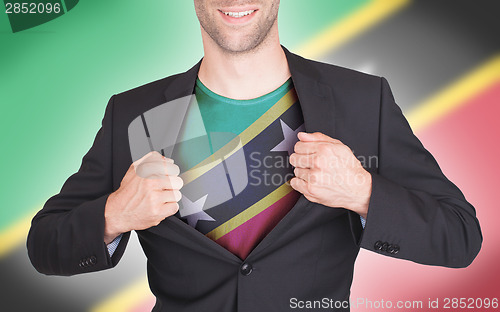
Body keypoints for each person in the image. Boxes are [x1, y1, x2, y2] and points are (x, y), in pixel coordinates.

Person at [27, 1, 482, 311]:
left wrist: (363, 192)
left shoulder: (362, 100)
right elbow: (44, 245)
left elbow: (460, 236)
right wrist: (114, 214)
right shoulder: (134, 113)